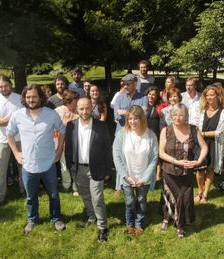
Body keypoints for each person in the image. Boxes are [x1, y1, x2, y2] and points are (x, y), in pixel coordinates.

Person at [7, 84, 66, 234]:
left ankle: (56, 219)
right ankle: (32, 219)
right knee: (30, 196)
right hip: (28, 164)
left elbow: (62, 130)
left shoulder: (51, 114)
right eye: (28, 97)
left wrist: (59, 150)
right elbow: (9, 133)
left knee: (53, 194)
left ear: (40, 97)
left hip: (48, 163)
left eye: (34, 96)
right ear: (24, 99)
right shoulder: (17, 115)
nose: (31, 100)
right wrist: (16, 153)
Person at [65, 97, 111, 242]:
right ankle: (92, 217)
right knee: (85, 195)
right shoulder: (71, 125)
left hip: (96, 168)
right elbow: (69, 148)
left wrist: (108, 171)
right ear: (76, 109)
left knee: (97, 198)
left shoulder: (101, 126)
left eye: (87, 108)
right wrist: (70, 167)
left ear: (92, 108)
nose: (84, 111)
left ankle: (103, 226)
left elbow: (107, 149)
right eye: (81, 108)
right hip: (79, 168)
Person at [159, 103, 208, 238]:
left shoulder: (193, 130)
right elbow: (161, 153)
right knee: (174, 198)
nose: (177, 118)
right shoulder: (166, 131)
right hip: (169, 171)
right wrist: (176, 162)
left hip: (187, 173)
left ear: (186, 116)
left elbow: (204, 147)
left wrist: (198, 161)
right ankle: (177, 225)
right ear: (171, 116)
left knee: (184, 200)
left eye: (181, 115)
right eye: (174, 115)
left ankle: (171, 220)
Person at [113, 105, 158, 235]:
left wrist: (144, 178)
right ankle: (129, 223)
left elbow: (154, 159)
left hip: (144, 177)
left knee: (141, 201)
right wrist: (126, 176)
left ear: (142, 119)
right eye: (130, 118)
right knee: (130, 201)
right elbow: (116, 157)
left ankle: (139, 224)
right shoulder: (121, 134)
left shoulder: (151, 136)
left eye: (136, 118)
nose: (132, 122)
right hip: (127, 176)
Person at [0, 75, 24, 207]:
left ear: (10, 85)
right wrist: (12, 119)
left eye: (6, 86)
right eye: (1, 86)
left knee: (23, 167)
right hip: (2, 140)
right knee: (1, 171)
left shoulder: (19, 98)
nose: (3, 88)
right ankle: (0, 196)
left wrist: (3, 120)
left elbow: (21, 118)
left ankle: (24, 190)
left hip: (20, 138)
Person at [113, 74, 148, 197]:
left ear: (135, 84)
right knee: (121, 160)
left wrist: (125, 112)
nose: (125, 86)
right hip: (122, 134)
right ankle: (121, 185)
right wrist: (135, 113)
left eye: (128, 84)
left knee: (136, 160)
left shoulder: (143, 97)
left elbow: (144, 114)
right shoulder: (119, 98)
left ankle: (138, 184)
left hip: (138, 134)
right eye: (124, 84)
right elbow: (117, 116)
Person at [195, 85, 224, 203]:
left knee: (210, 169)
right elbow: (195, 126)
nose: (209, 97)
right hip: (200, 143)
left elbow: (219, 132)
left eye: (212, 95)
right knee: (199, 169)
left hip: (214, 144)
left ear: (218, 96)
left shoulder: (223, 112)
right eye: (207, 95)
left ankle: (205, 194)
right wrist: (200, 136)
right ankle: (199, 191)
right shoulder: (201, 110)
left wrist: (202, 134)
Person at [55, 90, 80, 196]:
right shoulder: (58, 111)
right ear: (69, 101)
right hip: (62, 143)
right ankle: (66, 184)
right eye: (76, 101)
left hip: (76, 143)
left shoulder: (78, 110)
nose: (77, 102)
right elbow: (54, 129)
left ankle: (76, 187)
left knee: (76, 165)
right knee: (64, 165)